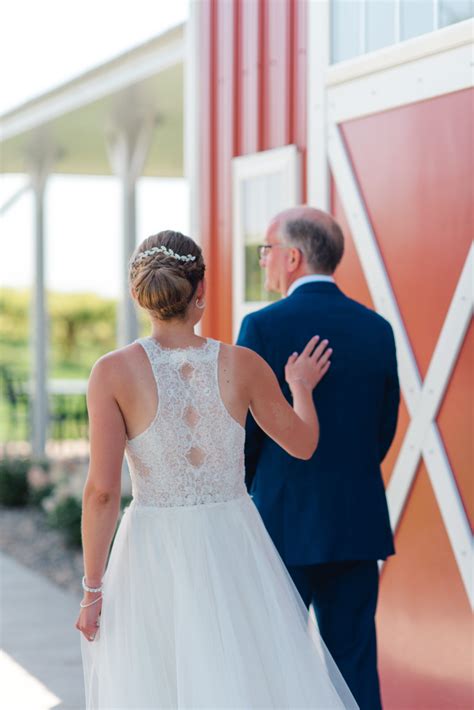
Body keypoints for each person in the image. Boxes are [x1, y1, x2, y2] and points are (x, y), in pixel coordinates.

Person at [76, 230, 357, 709]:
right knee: (246, 679)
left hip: (152, 551)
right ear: (200, 289)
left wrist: (92, 589)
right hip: (234, 543)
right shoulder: (243, 365)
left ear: (139, 293)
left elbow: (102, 493)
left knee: (158, 685)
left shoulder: (112, 371)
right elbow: (303, 444)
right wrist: (301, 387)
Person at [237, 207, 399, 710]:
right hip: (357, 522)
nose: (262, 261)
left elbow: (242, 434)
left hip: (283, 522)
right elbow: (383, 429)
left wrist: (247, 490)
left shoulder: (261, 327)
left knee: (271, 658)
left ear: (292, 257)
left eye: (266, 250)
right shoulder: (377, 328)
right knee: (352, 663)